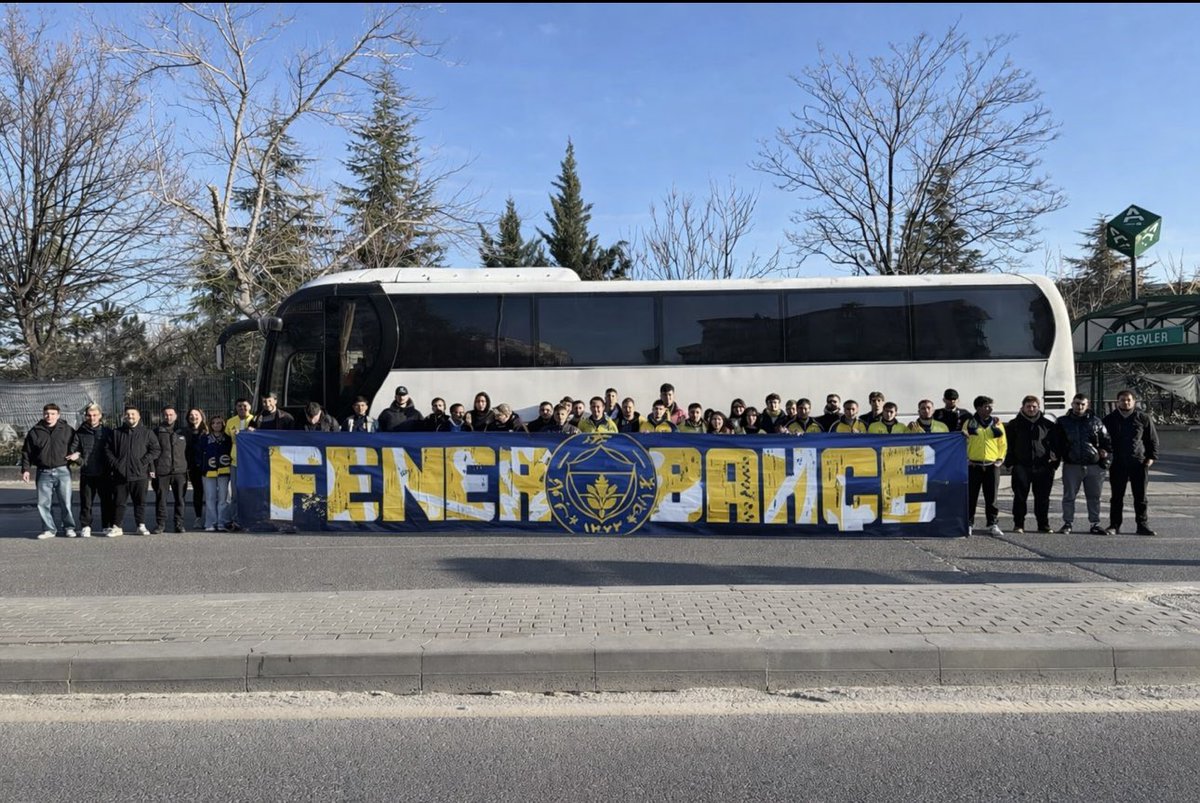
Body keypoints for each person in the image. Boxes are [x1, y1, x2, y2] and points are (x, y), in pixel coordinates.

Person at [1103, 389, 1160, 536]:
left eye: (1128, 400)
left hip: (1139, 462)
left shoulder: (1143, 418)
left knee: (1140, 496)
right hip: (1117, 463)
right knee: (1117, 496)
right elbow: (1102, 439)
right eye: (1122, 400)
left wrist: (1151, 457)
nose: (1125, 402)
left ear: (1134, 401)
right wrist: (1105, 454)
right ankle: (1114, 525)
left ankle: (1142, 525)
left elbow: (1152, 439)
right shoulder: (1109, 419)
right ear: (1118, 402)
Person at [1053, 393, 1111, 536]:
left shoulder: (1096, 422)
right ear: (1072, 404)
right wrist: (1056, 457)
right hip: (1072, 465)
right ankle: (1068, 523)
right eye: (1077, 403)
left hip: (1094, 465)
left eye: (1082, 404)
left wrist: (1106, 460)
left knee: (1094, 496)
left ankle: (1095, 523)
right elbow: (1056, 442)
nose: (1079, 406)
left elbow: (1107, 442)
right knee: (1069, 496)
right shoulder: (1062, 422)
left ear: (1087, 405)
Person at [20, 403, 80, 539]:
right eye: (47, 413)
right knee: (43, 503)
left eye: (53, 414)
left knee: (66, 502)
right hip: (43, 472)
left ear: (58, 415)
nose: (49, 416)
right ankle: (49, 529)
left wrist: (77, 455)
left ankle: (69, 527)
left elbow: (77, 445)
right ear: (43, 414)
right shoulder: (35, 431)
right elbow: (26, 452)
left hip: (63, 470)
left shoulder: (67, 430)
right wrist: (26, 469)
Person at [1004, 395, 1059, 534]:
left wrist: (1054, 463)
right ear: (1022, 407)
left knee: (1042, 498)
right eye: (1028, 406)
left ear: (1038, 407)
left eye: (1034, 406)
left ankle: (1043, 525)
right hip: (1021, 466)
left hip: (1043, 467)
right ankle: (1019, 524)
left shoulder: (1048, 425)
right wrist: (1010, 463)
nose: (1031, 409)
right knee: (1020, 497)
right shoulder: (1013, 425)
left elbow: (1056, 445)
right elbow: (1007, 445)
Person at [106, 405, 161, 537]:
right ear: (124, 416)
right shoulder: (116, 432)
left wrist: (142, 462)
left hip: (140, 474)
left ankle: (140, 525)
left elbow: (156, 450)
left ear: (139, 416)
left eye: (133, 414)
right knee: (119, 502)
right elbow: (107, 450)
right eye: (128, 414)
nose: (130, 416)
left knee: (140, 502)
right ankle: (117, 526)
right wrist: (116, 463)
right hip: (120, 474)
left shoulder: (147, 433)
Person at [964, 395, 1007, 537]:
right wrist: (965, 459)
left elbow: (1003, 443)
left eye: (991, 406)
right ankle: (969, 523)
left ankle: (992, 523)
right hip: (973, 465)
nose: (990, 409)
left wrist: (1000, 459)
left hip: (991, 465)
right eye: (986, 406)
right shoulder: (969, 422)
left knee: (992, 497)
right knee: (971, 496)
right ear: (978, 408)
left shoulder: (996, 423)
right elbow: (962, 442)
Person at [75, 403, 114, 538]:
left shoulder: (108, 432)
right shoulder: (80, 433)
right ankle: (86, 526)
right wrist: (79, 460)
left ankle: (106, 525)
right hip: (87, 473)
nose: (92, 418)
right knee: (86, 502)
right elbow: (74, 451)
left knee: (107, 502)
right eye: (89, 415)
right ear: (86, 416)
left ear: (100, 416)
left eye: (95, 415)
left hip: (105, 474)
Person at [152, 406, 190, 534]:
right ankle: (160, 524)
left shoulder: (184, 432)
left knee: (180, 499)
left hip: (180, 471)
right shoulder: (156, 432)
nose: (169, 417)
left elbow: (189, 451)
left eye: (171, 414)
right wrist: (152, 468)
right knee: (161, 499)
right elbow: (152, 451)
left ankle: (179, 524)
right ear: (163, 416)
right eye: (166, 415)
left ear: (176, 416)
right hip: (162, 471)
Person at [198, 415, 233, 532]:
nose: (216, 425)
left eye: (219, 423)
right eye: (214, 423)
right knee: (210, 498)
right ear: (210, 425)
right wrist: (201, 466)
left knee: (224, 498)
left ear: (223, 424)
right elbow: (199, 453)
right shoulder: (205, 438)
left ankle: (222, 522)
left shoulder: (228, 439)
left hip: (224, 471)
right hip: (208, 472)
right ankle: (210, 522)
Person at [183, 408, 208, 528]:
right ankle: (198, 518)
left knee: (211, 494)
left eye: (196, 414)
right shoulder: (184, 432)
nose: (194, 417)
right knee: (198, 493)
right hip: (193, 467)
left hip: (209, 467)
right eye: (191, 415)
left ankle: (212, 518)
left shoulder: (208, 430)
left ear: (202, 416)